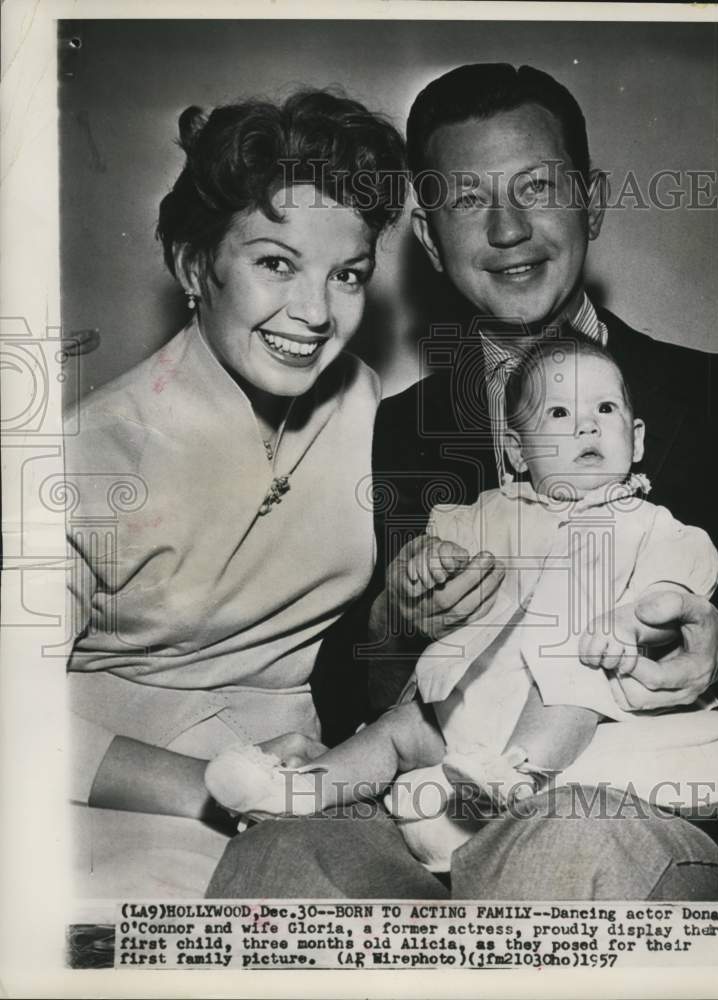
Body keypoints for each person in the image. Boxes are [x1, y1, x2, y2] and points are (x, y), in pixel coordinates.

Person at [208, 64, 718, 901]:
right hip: (434, 791)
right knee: (281, 861)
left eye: (537, 187)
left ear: (593, 200)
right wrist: (397, 620)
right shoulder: (385, 428)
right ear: (429, 237)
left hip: (636, 795)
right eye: (467, 199)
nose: (508, 229)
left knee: (572, 853)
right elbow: (342, 683)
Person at [203, 335, 718, 879]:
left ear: (634, 440)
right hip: (472, 708)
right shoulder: (488, 513)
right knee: (398, 728)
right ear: (517, 450)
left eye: (604, 409)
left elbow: (673, 588)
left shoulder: (650, 524)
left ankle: (516, 775)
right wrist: (424, 568)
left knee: (571, 674)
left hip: (582, 701)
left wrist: (629, 621)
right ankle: (295, 790)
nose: (586, 425)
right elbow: (431, 557)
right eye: (559, 412)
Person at [65, 90, 406, 898]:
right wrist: (214, 788)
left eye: (346, 275)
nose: (315, 313)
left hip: (306, 796)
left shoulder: (363, 404)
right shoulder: (86, 454)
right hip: (116, 800)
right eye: (275, 263)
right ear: (194, 265)